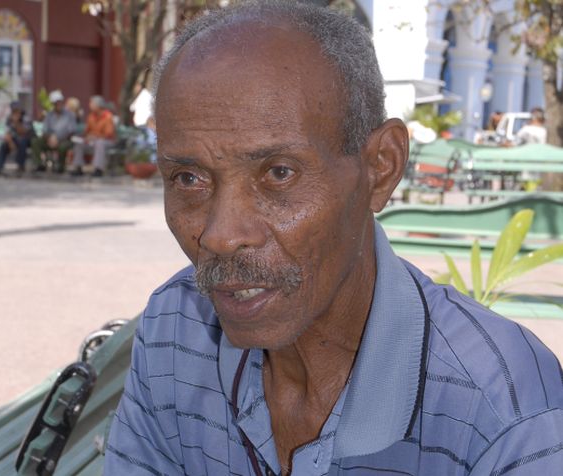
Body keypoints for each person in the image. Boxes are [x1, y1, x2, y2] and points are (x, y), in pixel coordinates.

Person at [105, 2, 563, 475]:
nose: (221, 236)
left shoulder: (504, 409)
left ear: (380, 167)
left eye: (278, 174)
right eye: (187, 179)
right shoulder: (176, 327)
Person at [31, 90, 76, 173]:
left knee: (63, 147)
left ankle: (60, 166)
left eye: (60, 102)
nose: (58, 104)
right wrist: (49, 138)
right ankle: (39, 164)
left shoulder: (70, 115)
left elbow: (71, 131)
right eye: (56, 102)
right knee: (36, 142)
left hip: (64, 140)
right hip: (50, 139)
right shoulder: (49, 115)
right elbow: (44, 130)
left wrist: (58, 139)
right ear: (53, 104)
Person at [70, 95, 115, 177]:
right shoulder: (91, 116)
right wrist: (87, 137)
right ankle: (78, 167)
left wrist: (95, 136)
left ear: (99, 105)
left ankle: (98, 169)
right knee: (80, 143)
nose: (90, 105)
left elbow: (109, 134)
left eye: (92, 103)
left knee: (100, 143)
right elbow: (86, 131)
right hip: (92, 141)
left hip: (106, 141)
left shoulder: (108, 117)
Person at [0, 101, 34, 177]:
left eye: (17, 109)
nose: (16, 112)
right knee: (3, 146)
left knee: (22, 142)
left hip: (28, 139)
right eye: (14, 110)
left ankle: (20, 167)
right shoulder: (9, 118)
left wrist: (16, 122)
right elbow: (7, 133)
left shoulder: (25, 117)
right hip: (15, 139)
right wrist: (10, 143)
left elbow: (23, 132)